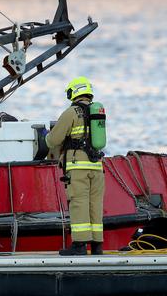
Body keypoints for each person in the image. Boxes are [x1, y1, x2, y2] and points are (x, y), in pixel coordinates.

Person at [46, 77, 105, 256]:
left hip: (78, 167)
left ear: (74, 92)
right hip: (97, 167)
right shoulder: (97, 111)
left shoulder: (72, 112)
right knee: (95, 204)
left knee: (79, 203)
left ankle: (79, 246)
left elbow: (54, 140)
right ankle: (97, 246)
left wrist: (46, 137)